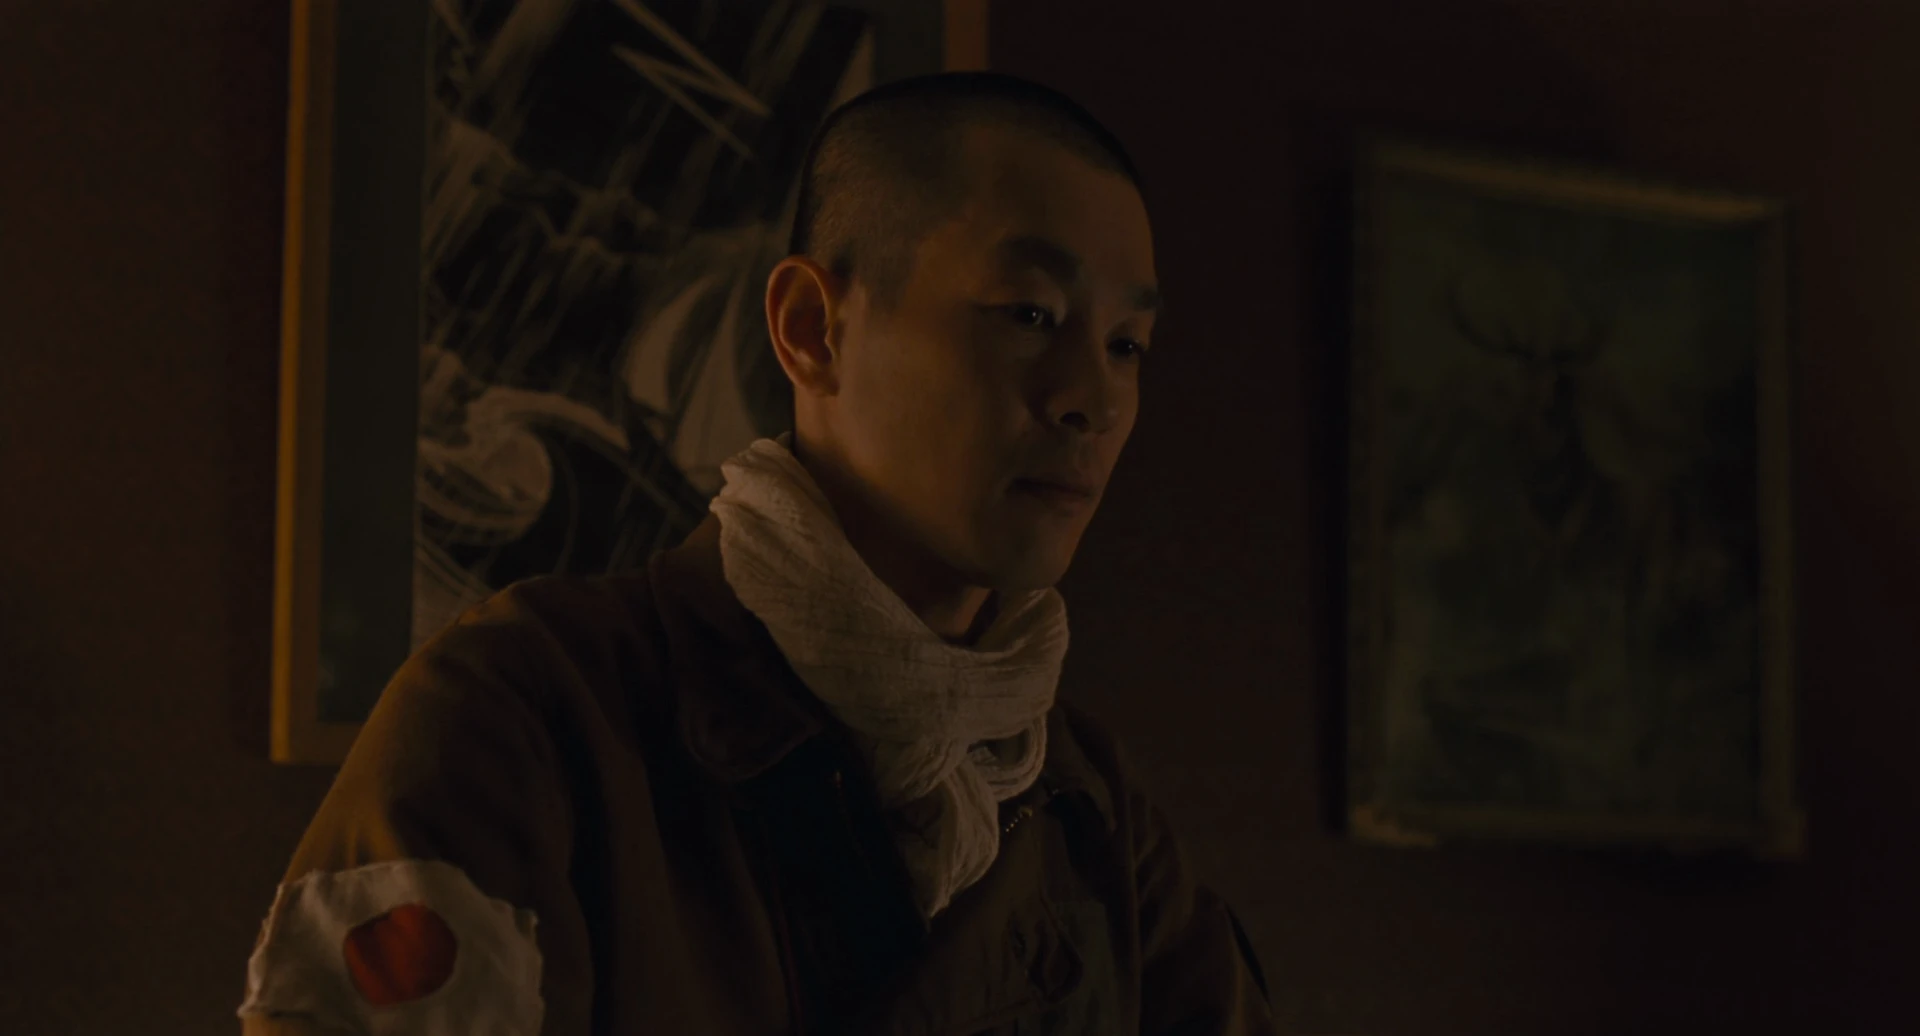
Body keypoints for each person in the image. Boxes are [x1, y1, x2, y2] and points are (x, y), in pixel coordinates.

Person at [238, 71, 1275, 1036]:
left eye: (1127, 346)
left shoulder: (1088, 811)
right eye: (1031, 315)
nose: (1092, 399)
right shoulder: (529, 715)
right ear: (812, 328)